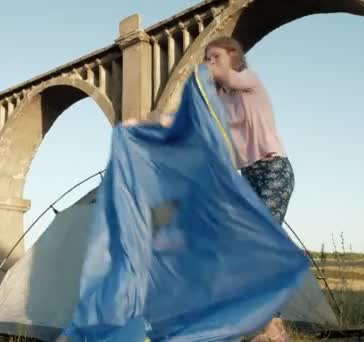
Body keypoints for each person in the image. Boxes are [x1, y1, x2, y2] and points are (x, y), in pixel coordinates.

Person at [124, 36, 295, 341]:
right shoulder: (219, 103)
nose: (208, 61)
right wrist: (143, 124)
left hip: (274, 170)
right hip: (247, 177)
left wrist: (209, 72)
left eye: (214, 56)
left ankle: (271, 325)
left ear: (233, 55)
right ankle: (265, 324)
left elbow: (226, 76)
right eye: (205, 57)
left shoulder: (248, 81)